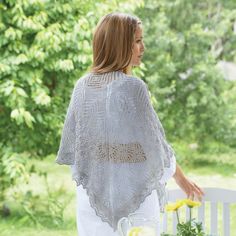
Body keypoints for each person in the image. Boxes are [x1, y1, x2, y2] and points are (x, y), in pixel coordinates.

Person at [55, 12, 204, 236]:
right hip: (138, 206)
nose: (142, 47)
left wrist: (109, 152)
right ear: (119, 45)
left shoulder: (82, 87)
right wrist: (180, 179)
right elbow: (156, 150)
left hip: (90, 203)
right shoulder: (133, 89)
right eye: (137, 41)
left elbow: (86, 151)